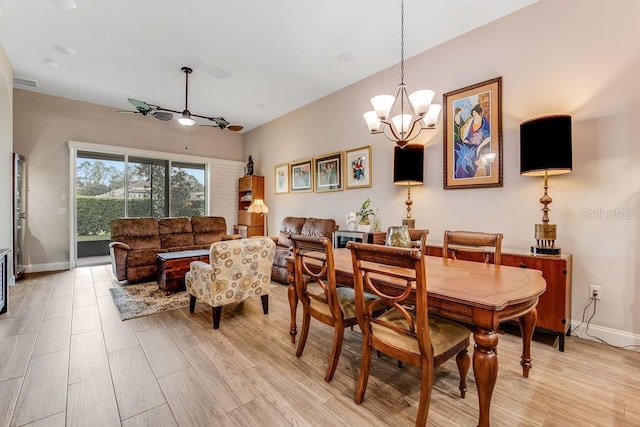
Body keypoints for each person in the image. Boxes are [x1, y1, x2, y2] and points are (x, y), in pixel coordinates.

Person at [455, 104, 491, 178]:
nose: (473, 114)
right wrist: (465, 139)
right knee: (455, 145)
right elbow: (465, 131)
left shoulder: (484, 123)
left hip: (477, 145)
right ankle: (456, 175)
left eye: (475, 112)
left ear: (479, 113)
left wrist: (480, 147)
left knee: (466, 154)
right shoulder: (471, 120)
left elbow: (488, 137)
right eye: (473, 113)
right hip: (468, 143)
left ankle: (465, 174)